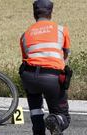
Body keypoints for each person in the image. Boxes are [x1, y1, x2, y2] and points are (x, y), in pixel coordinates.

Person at [19, 0, 72, 135]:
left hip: (29, 76)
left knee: (36, 109)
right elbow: (65, 56)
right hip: (51, 77)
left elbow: (25, 58)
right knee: (63, 116)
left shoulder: (25, 34)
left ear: (34, 14)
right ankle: (56, 120)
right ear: (51, 13)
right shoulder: (61, 30)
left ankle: (38, 128)